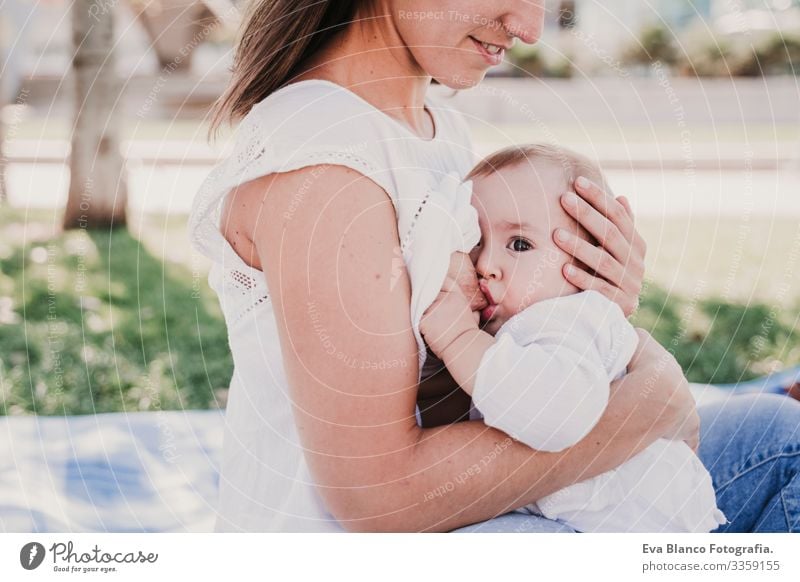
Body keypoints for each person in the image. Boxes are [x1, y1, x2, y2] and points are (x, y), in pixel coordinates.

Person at [188, 0, 800, 532]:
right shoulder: (327, 169)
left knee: (778, 439)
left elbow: (452, 390)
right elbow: (376, 499)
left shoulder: (433, 132)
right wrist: (640, 409)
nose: (530, 25)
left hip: (473, 510)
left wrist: (583, 305)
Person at [419, 144, 727, 532]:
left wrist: (457, 337)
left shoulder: (564, 322)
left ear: (587, 263)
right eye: (476, 242)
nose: (485, 265)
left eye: (519, 244)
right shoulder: (529, 322)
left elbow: (552, 414)